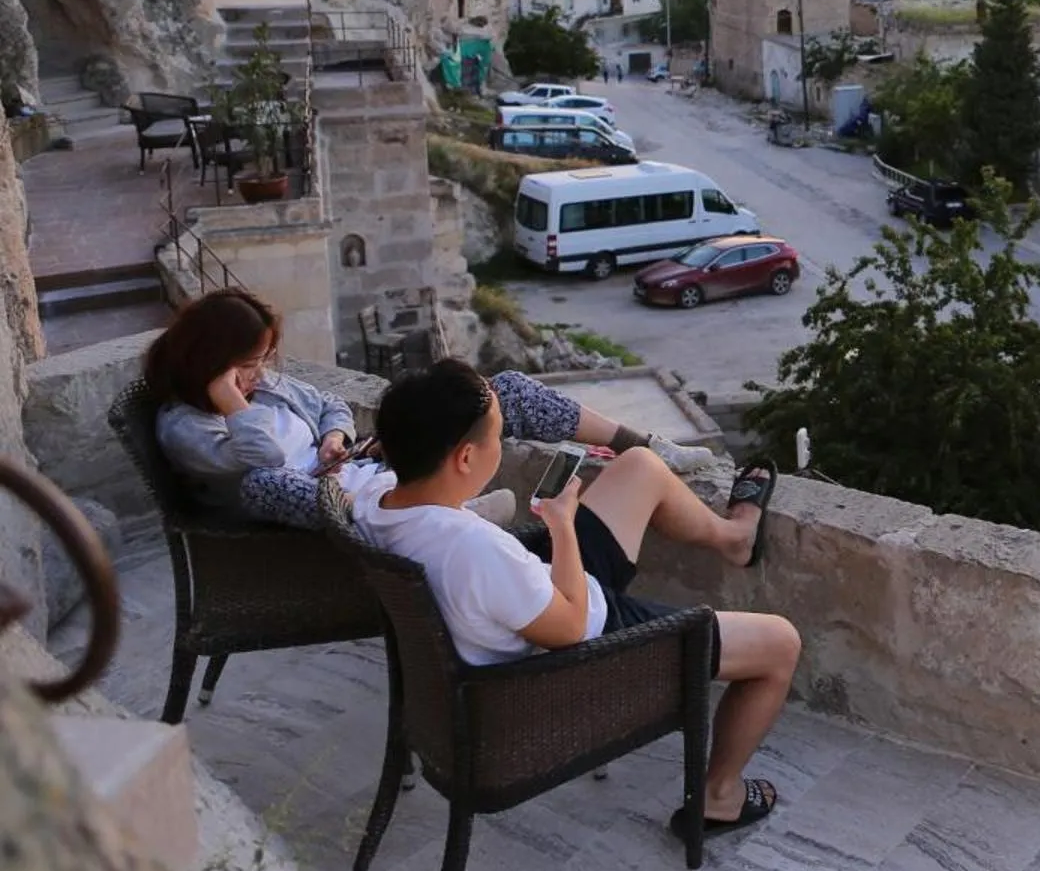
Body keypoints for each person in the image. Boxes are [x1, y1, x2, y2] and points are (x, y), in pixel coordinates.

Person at [359, 361, 797, 838]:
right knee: (781, 644)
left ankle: (735, 538)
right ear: (465, 458)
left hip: (533, 597)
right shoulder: (473, 551)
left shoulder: (377, 500)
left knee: (640, 468)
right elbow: (570, 627)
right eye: (496, 440)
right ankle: (721, 797)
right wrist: (562, 526)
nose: (499, 451)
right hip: (584, 644)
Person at [149, 288, 674, 530]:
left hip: (353, 473)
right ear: (213, 363)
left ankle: (642, 443)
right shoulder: (185, 427)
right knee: (262, 481)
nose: (260, 373)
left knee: (495, 392)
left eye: (263, 360)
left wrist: (334, 439)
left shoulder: (262, 387)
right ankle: (450, 515)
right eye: (248, 363)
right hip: (312, 510)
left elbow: (330, 402)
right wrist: (231, 399)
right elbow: (261, 458)